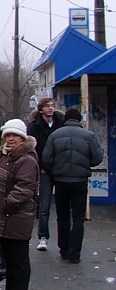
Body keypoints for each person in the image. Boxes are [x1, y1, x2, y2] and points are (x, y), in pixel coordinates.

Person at [0, 119, 38, 290]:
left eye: (15, 135)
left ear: (22, 137)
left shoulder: (26, 160)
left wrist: (6, 205)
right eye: (8, 135)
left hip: (16, 217)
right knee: (10, 258)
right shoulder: (6, 155)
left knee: (18, 261)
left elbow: (24, 188)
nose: (11, 138)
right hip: (4, 217)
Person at [39, 108, 102, 264]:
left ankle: (64, 249)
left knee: (63, 216)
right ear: (79, 120)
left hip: (61, 181)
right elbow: (97, 158)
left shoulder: (55, 135)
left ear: (65, 119)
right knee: (78, 218)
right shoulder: (89, 136)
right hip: (80, 181)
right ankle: (75, 254)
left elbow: (46, 158)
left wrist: (56, 169)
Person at [27, 97, 59, 251]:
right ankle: (43, 237)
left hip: (60, 169)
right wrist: (40, 167)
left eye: (52, 106)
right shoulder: (34, 127)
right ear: (41, 110)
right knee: (44, 205)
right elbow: (32, 149)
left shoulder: (60, 124)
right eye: (47, 106)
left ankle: (64, 240)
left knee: (63, 206)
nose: (51, 108)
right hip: (44, 170)